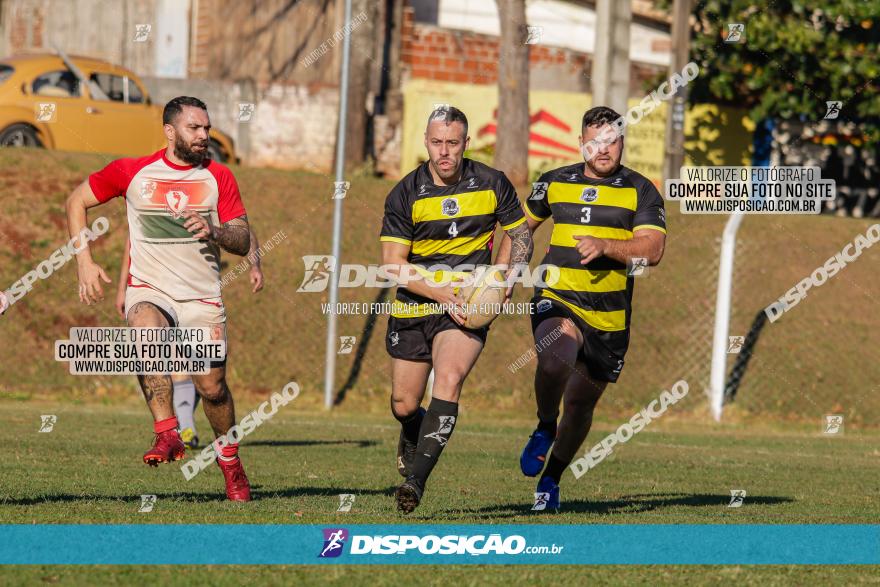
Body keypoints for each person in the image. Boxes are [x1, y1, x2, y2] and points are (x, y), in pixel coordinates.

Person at [65, 96, 254, 501]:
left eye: (206, 128)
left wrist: (214, 230)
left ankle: (231, 463)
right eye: (194, 128)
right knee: (145, 331)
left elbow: (242, 238)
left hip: (201, 297)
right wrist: (84, 261)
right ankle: (167, 432)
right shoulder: (132, 172)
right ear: (170, 131)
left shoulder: (219, 177)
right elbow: (76, 202)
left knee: (212, 387)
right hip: (150, 289)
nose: (203, 135)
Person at [506, 106, 667, 510]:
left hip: (610, 318)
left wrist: (608, 246)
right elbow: (520, 229)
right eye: (594, 142)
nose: (603, 149)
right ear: (581, 144)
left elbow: (653, 249)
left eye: (611, 141)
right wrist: (503, 276)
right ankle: (545, 425)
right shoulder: (554, 182)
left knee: (579, 405)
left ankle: (552, 479)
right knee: (556, 355)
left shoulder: (641, 189)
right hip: (557, 296)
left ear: (622, 143)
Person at [380, 106, 533, 514]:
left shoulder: (492, 182)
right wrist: (438, 292)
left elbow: (520, 235)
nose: (444, 151)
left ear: (466, 143)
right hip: (416, 304)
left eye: (452, 143)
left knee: (448, 379)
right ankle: (413, 429)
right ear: (425, 142)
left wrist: (501, 283)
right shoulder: (405, 192)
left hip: (465, 309)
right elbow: (393, 263)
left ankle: (416, 482)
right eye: (436, 142)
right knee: (404, 404)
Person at [115, 229, 264, 449]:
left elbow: (246, 234)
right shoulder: (150, 206)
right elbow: (131, 244)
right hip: (158, 296)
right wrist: (123, 290)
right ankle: (182, 428)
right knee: (174, 358)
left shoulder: (205, 201)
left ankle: (202, 435)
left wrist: (255, 265)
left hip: (198, 299)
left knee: (209, 382)